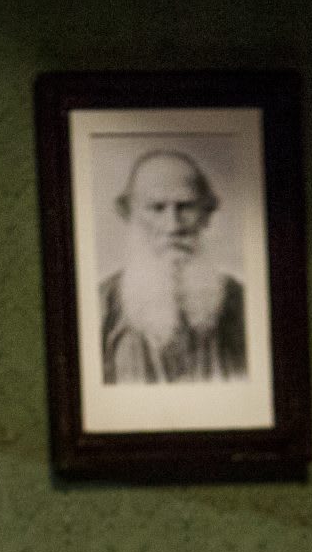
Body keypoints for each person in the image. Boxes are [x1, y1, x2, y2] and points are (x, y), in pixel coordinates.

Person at [98, 148, 247, 383]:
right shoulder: (101, 306)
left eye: (186, 207)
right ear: (130, 214)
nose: (173, 226)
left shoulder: (240, 301)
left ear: (206, 214)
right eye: (157, 208)